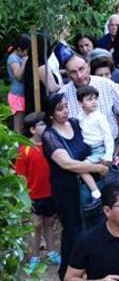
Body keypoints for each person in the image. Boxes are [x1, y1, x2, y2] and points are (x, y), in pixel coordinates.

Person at [41, 94, 110, 279]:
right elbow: (68, 164)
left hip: (87, 186)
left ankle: (90, 270)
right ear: (50, 113)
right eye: (59, 108)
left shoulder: (75, 123)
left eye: (66, 106)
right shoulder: (49, 135)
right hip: (66, 191)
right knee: (73, 232)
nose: (65, 111)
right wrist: (97, 167)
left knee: (93, 227)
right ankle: (67, 274)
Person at [15, 112, 60, 271]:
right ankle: (34, 256)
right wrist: (25, 198)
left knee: (49, 223)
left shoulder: (51, 144)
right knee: (35, 225)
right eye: (41, 124)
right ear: (33, 129)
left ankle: (52, 252)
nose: (45, 126)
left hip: (50, 193)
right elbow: (20, 176)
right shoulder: (25, 149)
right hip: (33, 196)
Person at [75, 86, 116, 206]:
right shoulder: (80, 116)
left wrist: (108, 155)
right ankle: (96, 193)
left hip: (99, 150)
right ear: (81, 103)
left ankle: (96, 193)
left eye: (95, 98)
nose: (93, 101)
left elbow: (108, 137)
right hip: (86, 150)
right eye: (89, 99)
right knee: (82, 169)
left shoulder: (99, 117)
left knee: (81, 168)